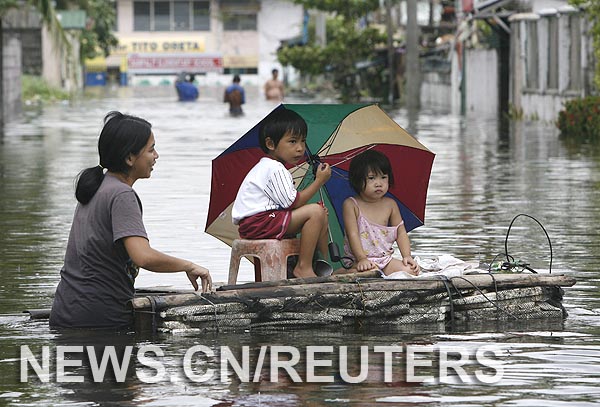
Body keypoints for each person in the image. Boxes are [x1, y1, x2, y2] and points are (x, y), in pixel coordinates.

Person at [49, 111, 212, 330]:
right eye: (151, 149)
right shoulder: (121, 195)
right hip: (99, 319)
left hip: (66, 311)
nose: (156, 156)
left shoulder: (96, 188)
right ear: (129, 158)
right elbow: (143, 256)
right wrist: (189, 266)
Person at [231, 107, 332, 278]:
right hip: (260, 223)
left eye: (303, 141)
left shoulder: (271, 167)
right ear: (271, 144)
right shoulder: (274, 168)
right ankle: (304, 268)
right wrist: (319, 181)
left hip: (259, 223)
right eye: (292, 141)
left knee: (320, 211)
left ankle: (321, 262)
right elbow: (293, 203)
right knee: (315, 211)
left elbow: (287, 205)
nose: (300, 148)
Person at [341, 149, 420, 276]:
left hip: (385, 259)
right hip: (358, 260)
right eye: (371, 178)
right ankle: (343, 271)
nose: (379, 183)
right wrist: (362, 259)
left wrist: (407, 256)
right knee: (372, 273)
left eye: (383, 177)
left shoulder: (390, 204)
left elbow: (400, 232)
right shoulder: (351, 205)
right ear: (358, 180)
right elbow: (353, 234)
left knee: (410, 271)